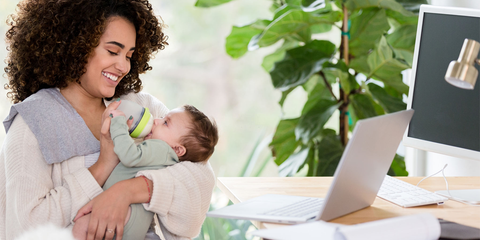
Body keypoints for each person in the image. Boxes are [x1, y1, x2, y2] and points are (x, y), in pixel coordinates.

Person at [0, 0, 216, 240]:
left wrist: (129, 191)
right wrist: (102, 166)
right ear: (75, 45)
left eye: (129, 55)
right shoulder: (33, 122)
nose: (123, 65)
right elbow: (25, 228)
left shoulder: (144, 108)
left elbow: (201, 176)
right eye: (113, 51)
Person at [73, 104, 218, 240]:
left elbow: (130, 156)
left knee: (81, 227)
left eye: (165, 122)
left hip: (127, 215)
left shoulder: (161, 148)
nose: (156, 120)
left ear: (178, 149)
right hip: (135, 221)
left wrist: (119, 125)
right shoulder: (166, 159)